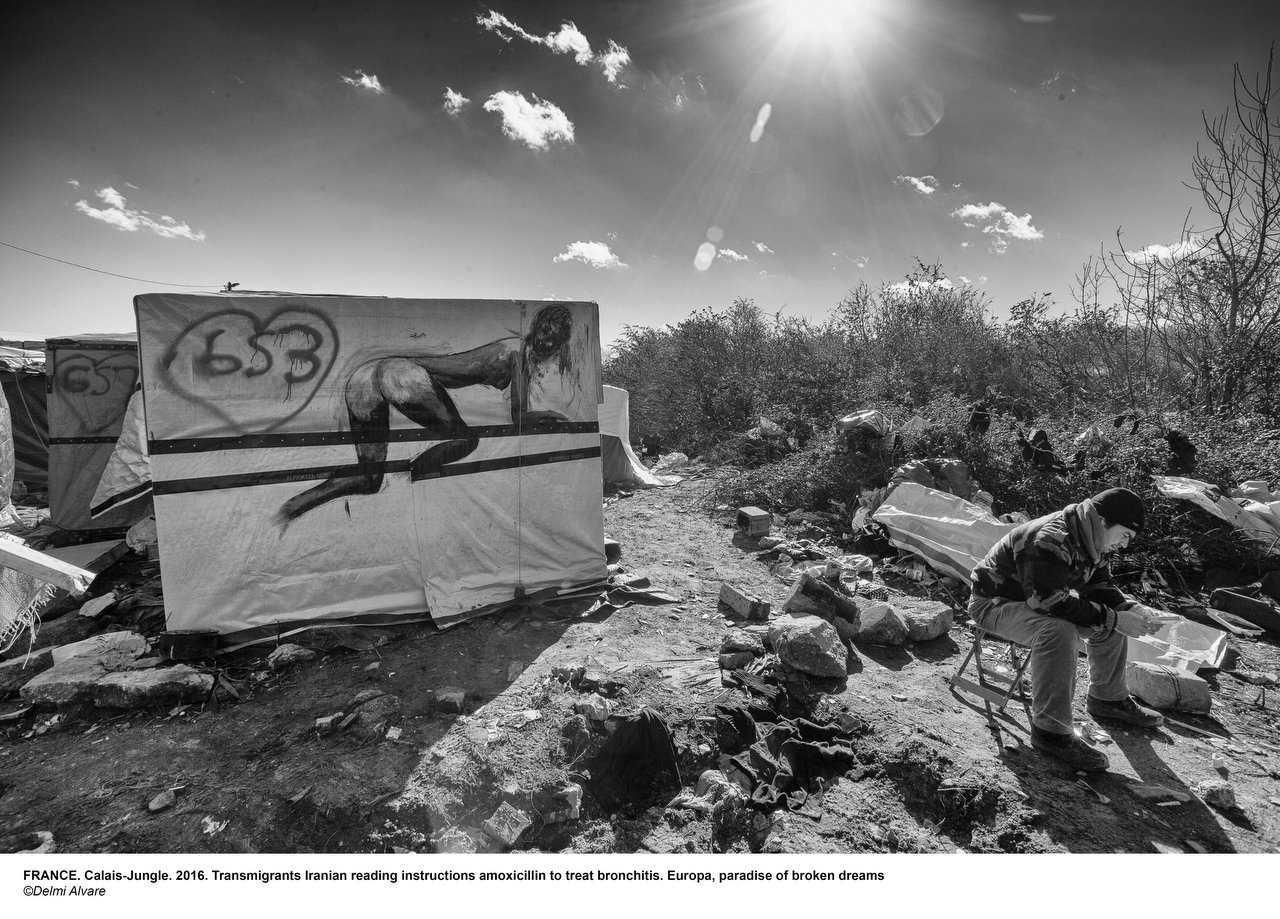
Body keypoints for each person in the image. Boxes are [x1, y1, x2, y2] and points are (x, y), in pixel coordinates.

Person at [275, 304, 575, 526]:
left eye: (555, 338)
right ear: (537, 325)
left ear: (560, 345)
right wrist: (554, 416)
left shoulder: (518, 353)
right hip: (401, 375)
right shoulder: (516, 353)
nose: (548, 340)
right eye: (547, 331)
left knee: (368, 480)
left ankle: (291, 508)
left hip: (364, 379)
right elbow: (519, 417)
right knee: (465, 440)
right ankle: (413, 477)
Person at [967, 487, 1164, 772]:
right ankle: (1051, 731)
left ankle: (1107, 699)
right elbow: (1046, 602)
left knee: (1112, 618)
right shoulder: (1051, 537)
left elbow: (1099, 587)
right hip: (994, 604)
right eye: (1125, 535)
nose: (1123, 545)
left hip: (1032, 602)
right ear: (1104, 521)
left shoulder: (1092, 538)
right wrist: (1114, 618)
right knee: (1059, 631)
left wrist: (1127, 610)